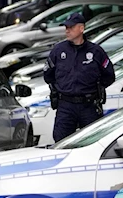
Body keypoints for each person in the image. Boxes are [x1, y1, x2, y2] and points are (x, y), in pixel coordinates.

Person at [44, 12, 115, 142]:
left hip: (89, 105)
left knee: (93, 142)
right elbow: (48, 75)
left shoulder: (95, 52)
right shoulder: (58, 51)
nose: (67, 31)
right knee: (61, 142)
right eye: (66, 28)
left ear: (81, 28)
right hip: (66, 105)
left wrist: (95, 88)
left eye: (71, 27)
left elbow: (109, 76)